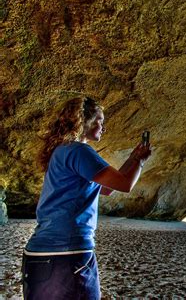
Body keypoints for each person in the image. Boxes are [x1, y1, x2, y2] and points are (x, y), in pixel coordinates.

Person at [21, 96, 152, 300]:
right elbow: (125, 184)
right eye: (100, 120)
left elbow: (108, 189)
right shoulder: (79, 151)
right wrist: (141, 162)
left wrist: (133, 159)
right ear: (84, 120)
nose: (103, 127)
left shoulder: (62, 151)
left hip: (39, 254)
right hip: (69, 253)